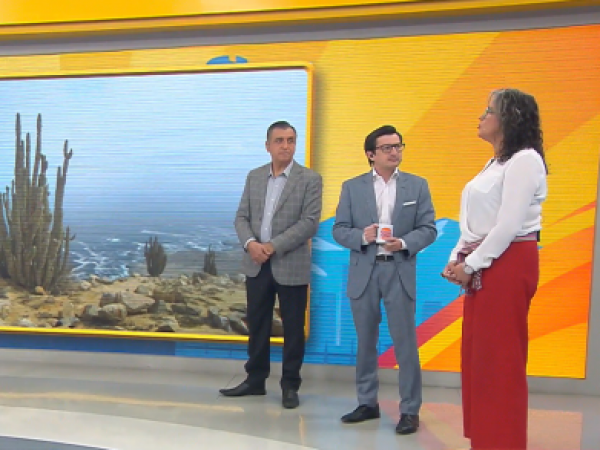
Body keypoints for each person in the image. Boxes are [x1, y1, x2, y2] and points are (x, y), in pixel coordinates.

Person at [442, 88, 548, 449]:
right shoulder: (496, 163)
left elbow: (509, 224)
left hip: (508, 262)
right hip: (485, 261)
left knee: (500, 358)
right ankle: (485, 438)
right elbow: (476, 222)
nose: (481, 117)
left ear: (509, 119)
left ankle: (503, 441)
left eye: (488, 111)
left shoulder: (525, 160)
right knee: (480, 356)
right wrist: (458, 257)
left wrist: (472, 264)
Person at [332, 125, 437, 435]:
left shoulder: (417, 186)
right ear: (371, 154)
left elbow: (429, 229)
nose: (395, 152)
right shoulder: (352, 187)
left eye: (398, 146)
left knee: (405, 344)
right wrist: (360, 236)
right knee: (365, 342)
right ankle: (367, 402)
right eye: (387, 147)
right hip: (364, 270)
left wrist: (403, 243)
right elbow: (339, 229)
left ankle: (410, 410)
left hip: (398, 270)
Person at [219, 121, 323, 410]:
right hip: (256, 263)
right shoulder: (254, 177)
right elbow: (241, 217)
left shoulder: (310, 179)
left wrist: (272, 246)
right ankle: (255, 380)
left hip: (290, 263)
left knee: (293, 328)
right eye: (279, 140)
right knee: (258, 324)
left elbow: (309, 223)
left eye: (290, 140)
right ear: (268, 146)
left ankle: (290, 385)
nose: (285, 146)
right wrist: (251, 244)